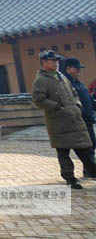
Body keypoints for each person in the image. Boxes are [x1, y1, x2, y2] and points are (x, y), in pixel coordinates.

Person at [32, 50, 96, 189]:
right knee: (63, 152)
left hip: (74, 119)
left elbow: (74, 93)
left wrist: (77, 105)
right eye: (52, 60)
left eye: (56, 60)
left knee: (85, 148)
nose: (55, 63)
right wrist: (57, 107)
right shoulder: (41, 80)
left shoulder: (61, 77)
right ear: (44, 62)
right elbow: (38, 100)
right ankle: (70, 179)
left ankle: (92, 172)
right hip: (58, 122)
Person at [63, 58, 96, 149]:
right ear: (68, 68)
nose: (79, 70)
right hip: (79, 121)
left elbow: (88, 99)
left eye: (80, 68)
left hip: (87, 120)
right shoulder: (65, 83)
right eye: (77, 68)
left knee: (92, 144)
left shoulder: (78, 83)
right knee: (87, 147)